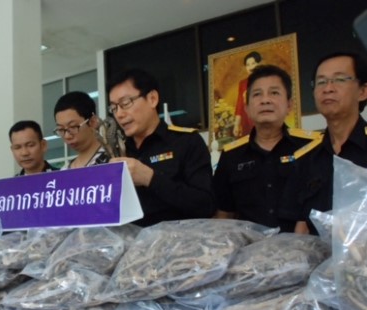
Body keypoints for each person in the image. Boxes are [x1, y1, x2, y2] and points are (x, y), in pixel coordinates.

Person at [295, 52, 367, 233]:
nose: (328, 88)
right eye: (321, 82)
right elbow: (302, 226)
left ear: (363, 91)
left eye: (339, 79)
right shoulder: (305, 158)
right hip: (321, 252)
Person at [213, 65, 320, 232]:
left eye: (274, 93)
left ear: (289, 105)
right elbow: (224, 214)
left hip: (301, 245)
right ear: (247, 108)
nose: (265, 100)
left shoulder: (311, 147)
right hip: (249, 246)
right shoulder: (231, 155)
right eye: (257, 94)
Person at [107, 68, 215, 226]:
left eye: (125, 103)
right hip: (129, 240)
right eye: (114, 108)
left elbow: (205, 206)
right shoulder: (117, 152)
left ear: (152, 99)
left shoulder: (186, 142)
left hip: (179, 238)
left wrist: (150, 178)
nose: (119, 114)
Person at [53, 91, 110, 169]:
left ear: (93, 122)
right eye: (61, 129)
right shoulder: (65, 170)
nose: (67, 136)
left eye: (73, 127)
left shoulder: (113, 159)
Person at [233, 51, 263, 138]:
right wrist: (236, 124)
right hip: (247, 120)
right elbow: (239, 105)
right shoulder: (243, 83)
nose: (250, 67)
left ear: (259, 64)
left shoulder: (266, 80)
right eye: (248, 65)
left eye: (253, 63)